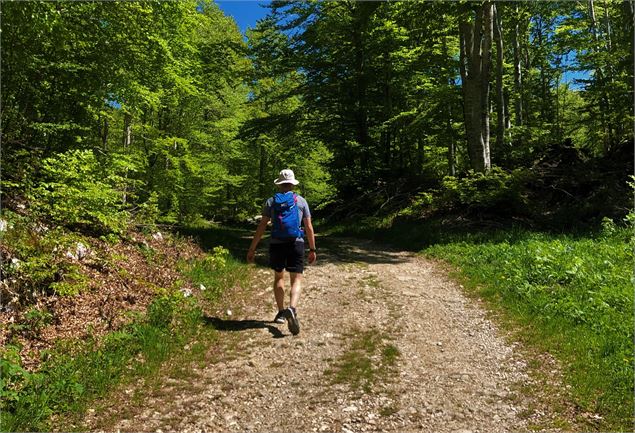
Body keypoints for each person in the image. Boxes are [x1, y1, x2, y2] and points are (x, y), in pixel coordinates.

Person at [247, 169, 316, 335]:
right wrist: (312, 249)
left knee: (279, 277)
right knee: (296, 279)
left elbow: (262, 226)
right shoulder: (301, 201)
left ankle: (280, 312)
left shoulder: (271, 202)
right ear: (292, 183)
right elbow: (308, 226)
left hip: (277, 243)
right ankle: (292, 308)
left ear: (279, 184)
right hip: (296, 243)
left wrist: (252, 248)